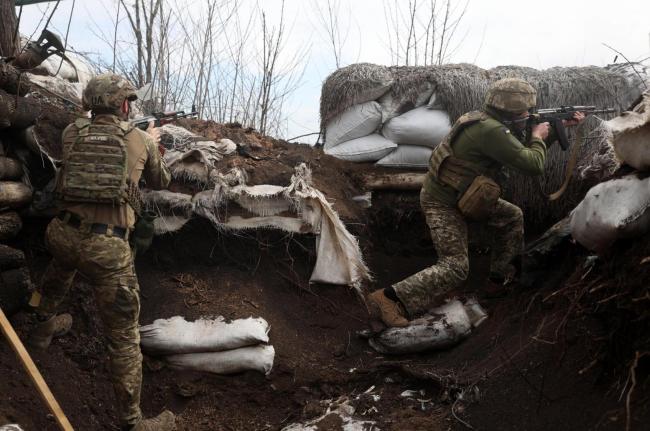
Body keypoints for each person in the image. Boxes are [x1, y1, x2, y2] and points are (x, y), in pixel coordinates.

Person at [367, 77, 585, 328]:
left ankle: (498, 281)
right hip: (443, 202)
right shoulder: (491, 131)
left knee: (512, 217)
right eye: (525, 110)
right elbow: (532, 164)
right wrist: (537, 136)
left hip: (466, 196)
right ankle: (388, 299)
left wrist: (558, 130)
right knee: (456, 267)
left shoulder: (486, 121)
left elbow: (517, 152)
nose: (529, 114)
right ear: (510, 109)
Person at [27, 73, 175, 431]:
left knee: (60, 271)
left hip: (61, 233)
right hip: (106, 250)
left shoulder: (71, 133)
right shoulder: (140, 139)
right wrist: (154, 144)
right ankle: (133, 422)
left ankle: (41, 326)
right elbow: (161, 182)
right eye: (128, 101)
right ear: (123, 104)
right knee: (124, 337)